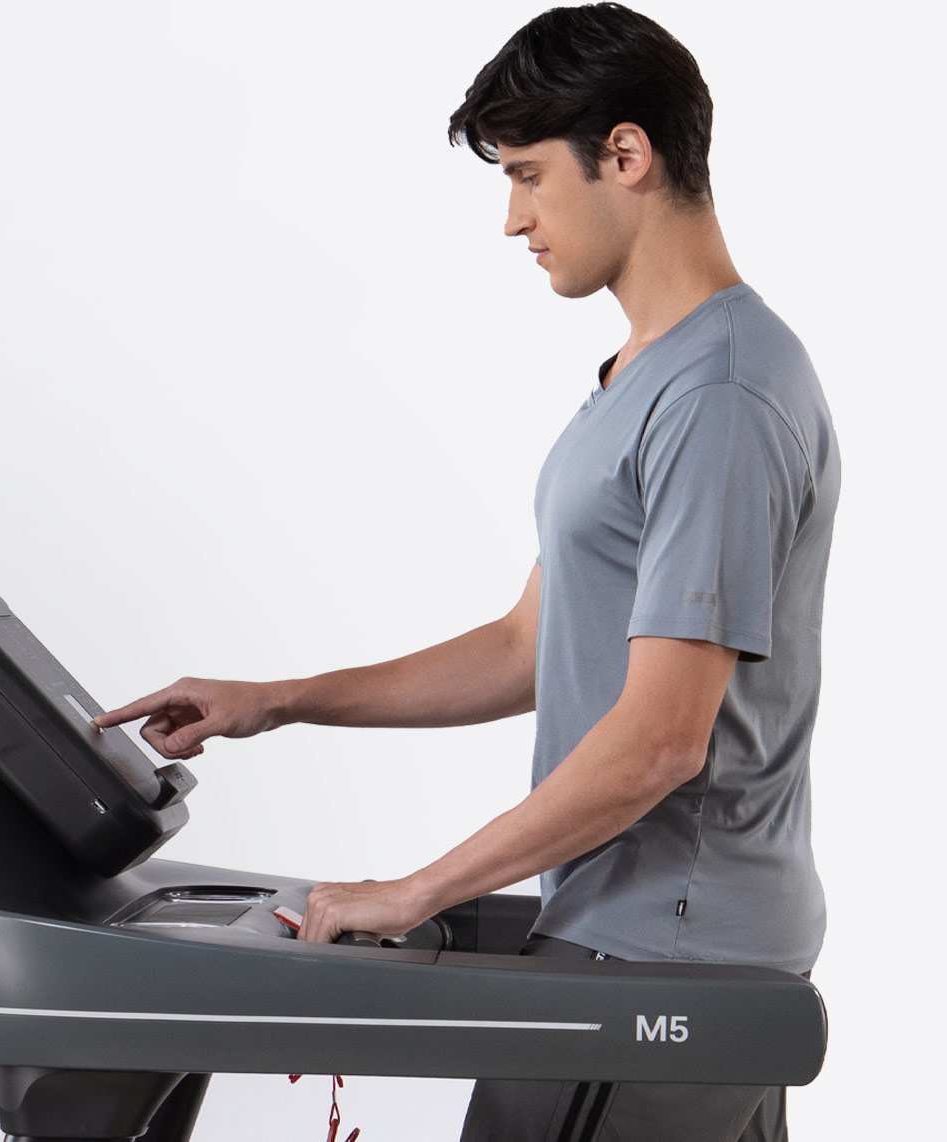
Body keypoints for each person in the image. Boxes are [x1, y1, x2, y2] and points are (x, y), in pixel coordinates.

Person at [93, 4, 839, 1139]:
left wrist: (415, 890)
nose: (512, 219)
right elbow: (526, 644)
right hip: (637, 936)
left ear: (626, 156)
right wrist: (277, 701)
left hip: (664, 958)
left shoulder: (720, 396)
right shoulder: (645, 376)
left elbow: (659, 741)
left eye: (531, 176)